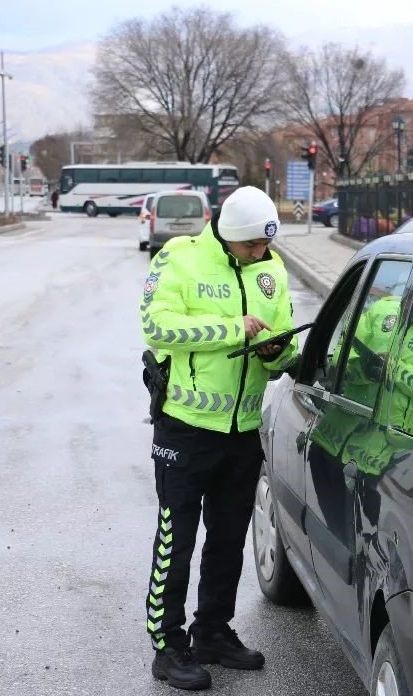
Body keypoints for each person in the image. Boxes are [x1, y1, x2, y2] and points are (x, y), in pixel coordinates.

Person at [139, 185, 298, 691]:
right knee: (176, 538)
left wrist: (276, 351)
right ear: (229, 236)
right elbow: (157, 327)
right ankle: (168, 645)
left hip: (243, 429)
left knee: (229, 537)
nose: (261, 254)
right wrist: (234, 329)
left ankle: (212, 631)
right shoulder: (180, 259)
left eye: (265, 245)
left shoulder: (271, 270)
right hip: (185, 428)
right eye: (252, 245)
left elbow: (281, 343)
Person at [307, 270, 413, 540]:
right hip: (339, 429)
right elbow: (343, 353)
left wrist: (395, 369)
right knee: (335, 527)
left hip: (382, 450)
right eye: (408, 296)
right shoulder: (382, 310)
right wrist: (364, 371)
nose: (408, 304)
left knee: (371, 535)